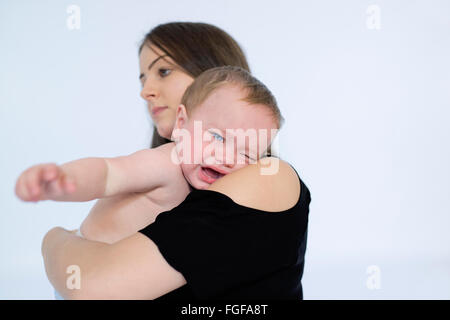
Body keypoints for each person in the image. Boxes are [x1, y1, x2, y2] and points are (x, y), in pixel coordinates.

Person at [39, 22, 311, 299]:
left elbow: (93, 288)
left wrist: (55, 241)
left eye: (164, 71)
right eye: (143, 78)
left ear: (213, 72)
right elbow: (109, 174)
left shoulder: (268, 176)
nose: (146, 91)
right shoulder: (173, 171)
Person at [16, 66, 282, 244]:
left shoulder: (230, 191)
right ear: (181, 124)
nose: (227, 158)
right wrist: (64, 180)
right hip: (89, 265)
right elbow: (108, 174)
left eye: (246, 154)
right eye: (217, 137)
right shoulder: (166, 163)